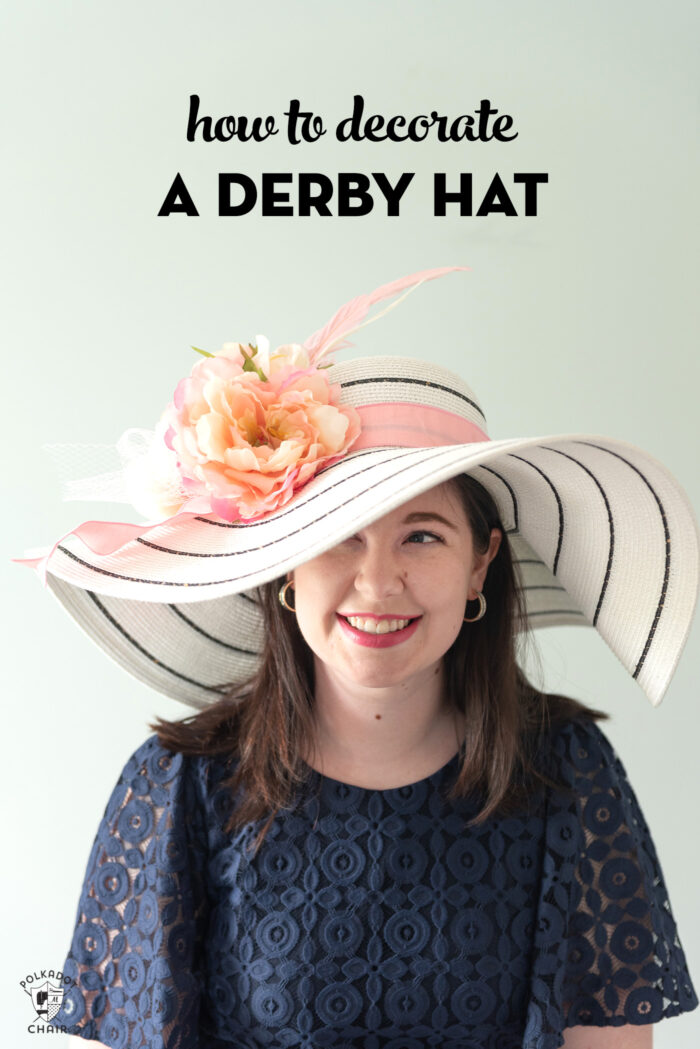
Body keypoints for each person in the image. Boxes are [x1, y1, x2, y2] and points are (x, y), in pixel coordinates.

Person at [20, 269, 698, 1048]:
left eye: (423, 534)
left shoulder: (569, 775)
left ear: (481, 563)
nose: (377, 582)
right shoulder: (180, 787)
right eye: (339, 531)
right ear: (285, 563)